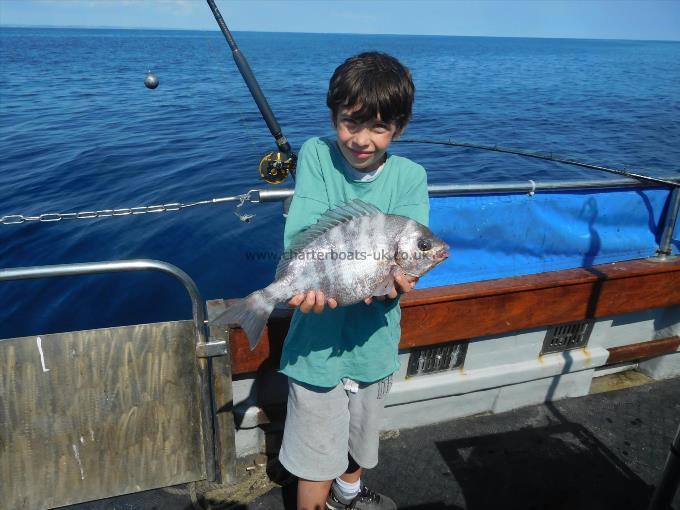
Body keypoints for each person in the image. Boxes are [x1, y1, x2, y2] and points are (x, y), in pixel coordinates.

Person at [278, 51, 429, 510]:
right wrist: (292, 285)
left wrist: (397, 279)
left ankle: (349, 494)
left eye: (379, 128)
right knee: (316, 453)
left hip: (374, 344)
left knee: (360, 437)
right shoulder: (317, 155)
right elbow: (303, 235)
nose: (362, 139)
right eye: (349, 123)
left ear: (399, 128)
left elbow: (406, 260)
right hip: (316, 347)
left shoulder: (411, 177)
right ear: (333, 117)